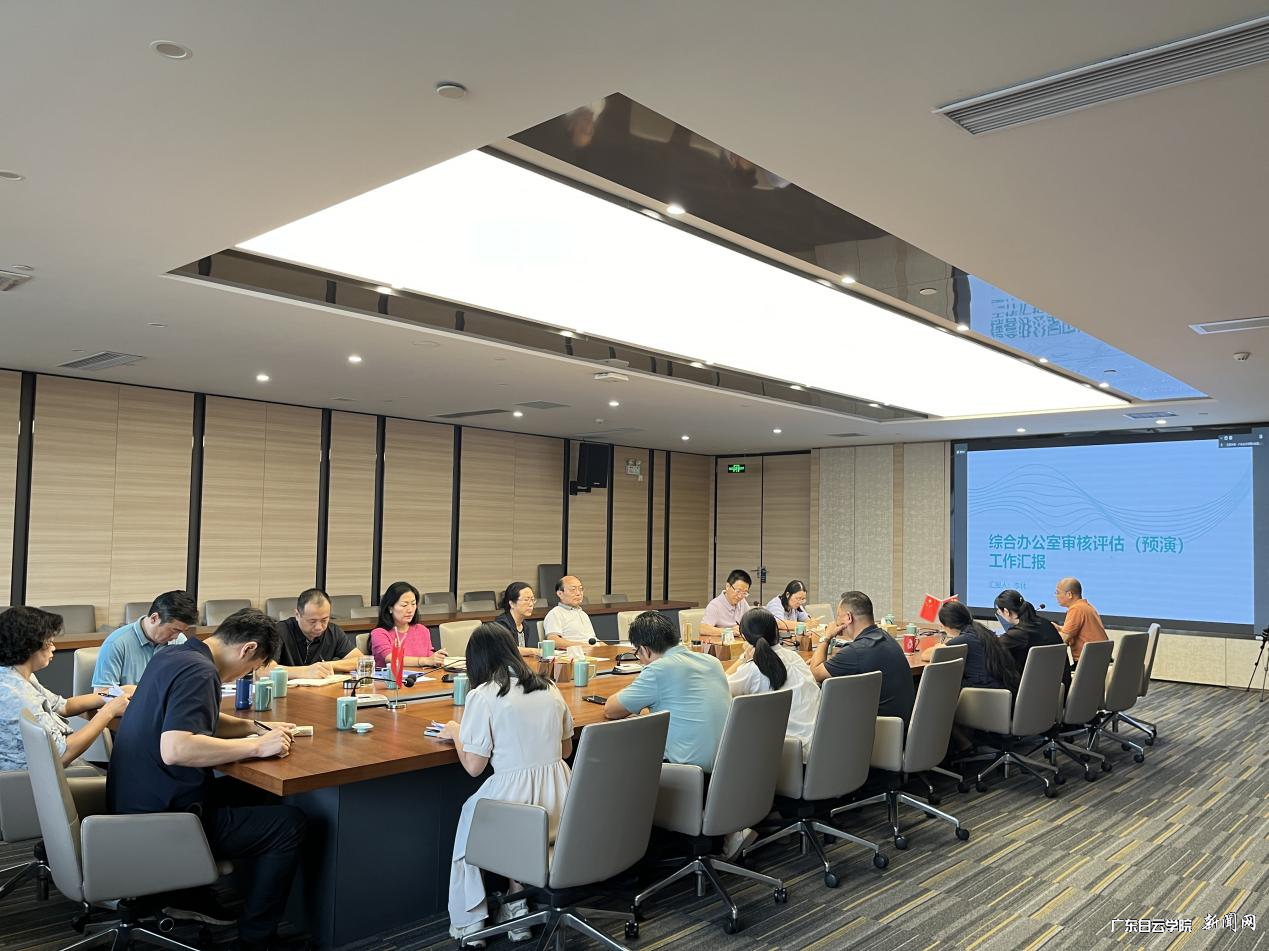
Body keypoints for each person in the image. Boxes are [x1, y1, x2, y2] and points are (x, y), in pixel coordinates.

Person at [107, 608, 304, 951]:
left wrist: (255, 727)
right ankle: (255, 941)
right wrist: (257, 746)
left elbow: (197, 720)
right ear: (247, 649)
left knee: (251, 790)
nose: (245, 676)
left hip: (135, 801)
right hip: (162, 820)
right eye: (252, 668)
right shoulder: (201, 672)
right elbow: (177, 748)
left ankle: (189, 891)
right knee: (289, 824)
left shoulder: (176, 654)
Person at [439, 624, 573, 947]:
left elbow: (474, 767)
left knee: (473, 818)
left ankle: (472, 924)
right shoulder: (548, 686)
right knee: (515, 818)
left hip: (516, 807)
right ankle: (517, 908)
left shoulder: (483, 695)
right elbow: (566, 749)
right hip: (562, 801)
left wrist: (456, 731)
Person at [0, 607, 131, 771]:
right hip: (33, 778)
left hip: (48, 770)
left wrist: (115, 692)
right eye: (49, 642)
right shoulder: (15, 696)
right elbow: (62, 755)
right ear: (29, 647)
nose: (53, 648)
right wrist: (109, 712)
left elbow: (64, 706)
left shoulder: (16, 675)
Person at [605, 611, 730, 771]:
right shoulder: (712, 662)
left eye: (637, 653)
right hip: (728, 768)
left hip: (689, 773)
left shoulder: (657, 669)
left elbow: (611, 710)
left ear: (645, 650)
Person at [808, 591, 915, 726]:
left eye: (838, 615)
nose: (836, 621)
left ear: (848, 617)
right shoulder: (886, 637)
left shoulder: (856, 652)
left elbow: (815, 673)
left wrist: (826, 636)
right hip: (903, 726)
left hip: (881, 730)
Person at [724, 608, 820, 758]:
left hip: (788, 751)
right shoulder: (794, 657)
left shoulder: (753, 669)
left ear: (745, 638)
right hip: (819, 742)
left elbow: (721, 687)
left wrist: (742, 659)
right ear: (776, 631)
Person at [92, 590, 199, 688]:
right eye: (174, 630)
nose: (175, 637)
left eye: (180, 632)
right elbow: (102, 693)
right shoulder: (116, 643)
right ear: (154, 618)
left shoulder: (180, 641)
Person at [921, 601, 1020, 692]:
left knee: (937, 683)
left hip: (985, 692)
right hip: (1002, 688)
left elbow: (926, 655)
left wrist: (939, 646)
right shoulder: (981, 631)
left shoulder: (964, 639)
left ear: (947, 625)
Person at [272, 588, 362, 677]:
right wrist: (305, 671)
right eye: (312, 621)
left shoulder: (333, 632)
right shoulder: (279, 631)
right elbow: (265, 669)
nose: (319, 627)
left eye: (324, 620)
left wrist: (327, 666)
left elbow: (361, 661)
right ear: (297, 615)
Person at [995, 589, 1071, 690]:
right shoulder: (1046, 623)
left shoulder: (1018, 634)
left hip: (1034, 692)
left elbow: (992, 647)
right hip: (1060, 688)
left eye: (999, 611)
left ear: (1006, 611)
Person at [370, 580, 447, 669]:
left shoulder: (422, 630)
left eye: (413, 604)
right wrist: (423, 661)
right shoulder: (379, 633)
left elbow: (430, 656)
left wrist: (437, 658)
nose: (410, 609)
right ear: (390, 608)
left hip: (423, 677)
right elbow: (391, 658)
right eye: (404, 605)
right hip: (391, 677)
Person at [1055, 577, 1109, 663]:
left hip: (1087, 663)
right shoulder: (1086, 606)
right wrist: (1059, 629)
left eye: (1058, 593)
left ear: (1069, 594)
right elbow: (1075, 634)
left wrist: (1050, 632)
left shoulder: (1076, 609)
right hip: (1099, 660)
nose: (1056, 596)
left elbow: (1063, 640)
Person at [541, 576, 596, 645]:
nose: (578, 593)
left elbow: (593, 640)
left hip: (592, 649)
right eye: (573, 589)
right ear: (560, 594)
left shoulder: (583, 614)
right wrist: (581, 646)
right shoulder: (555, 613)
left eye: (580, 589)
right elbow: (554, 641)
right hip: (575, 650)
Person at [700, 569, 753, 637]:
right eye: (738, 591)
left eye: (744, 593)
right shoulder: (715, 605)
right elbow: (703, 629)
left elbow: (751, 621)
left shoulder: (742, 601)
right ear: (728, 586)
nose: (740, 596)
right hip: (723, 643)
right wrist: (729, 631)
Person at [493, 582, 540, 656]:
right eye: (526, 600)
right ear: (512, 603)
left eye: (532, 600)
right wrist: (534, 651)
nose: (531, 604)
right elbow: (507, 650)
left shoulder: (525, 626)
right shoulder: (501, 624)